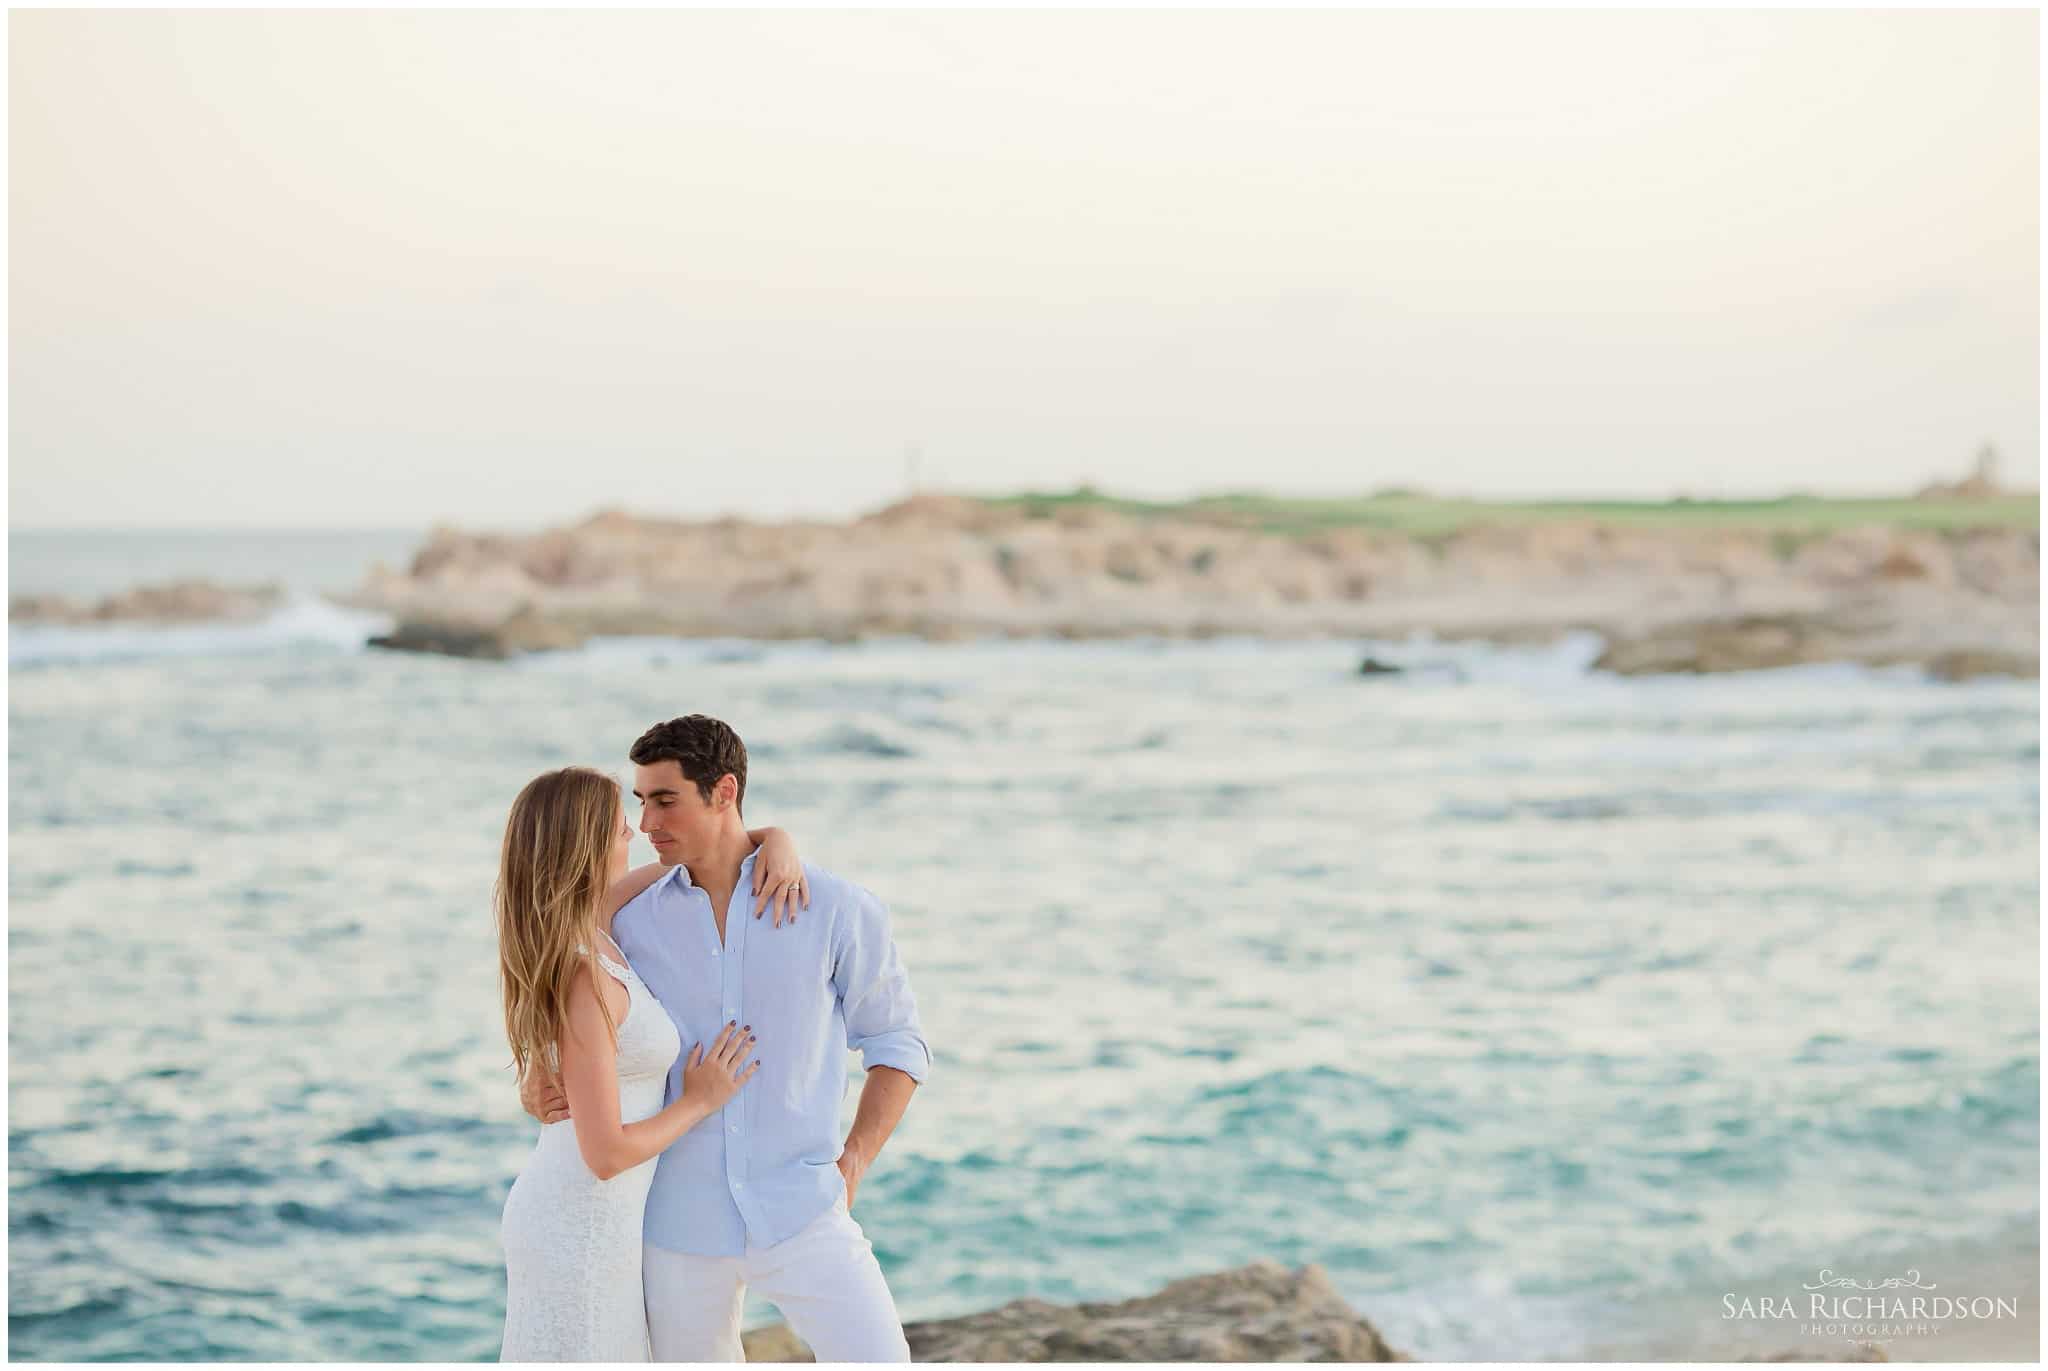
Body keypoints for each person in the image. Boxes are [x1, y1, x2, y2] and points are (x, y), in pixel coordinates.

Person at [522, 714, 930, 1362]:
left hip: (803, 1208)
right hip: (678, 1226)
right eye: (640, 803)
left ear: (724, 792)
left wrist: (854, 1161)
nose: (647, 823)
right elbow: (551, 959)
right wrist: (535, 1074)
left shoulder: (835, 909)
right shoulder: (629, 917)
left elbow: (898, 1043)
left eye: (665, 800)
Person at [495, 765, 810, 1362]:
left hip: (604, 1224)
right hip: (579, 1225)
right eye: (619, 830)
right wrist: (700, 1099)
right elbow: (606, 1154)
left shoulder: (593, 923)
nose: (636, 836)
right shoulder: (585, 968)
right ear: (588, 846)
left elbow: (703, 854)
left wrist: (777, 839)